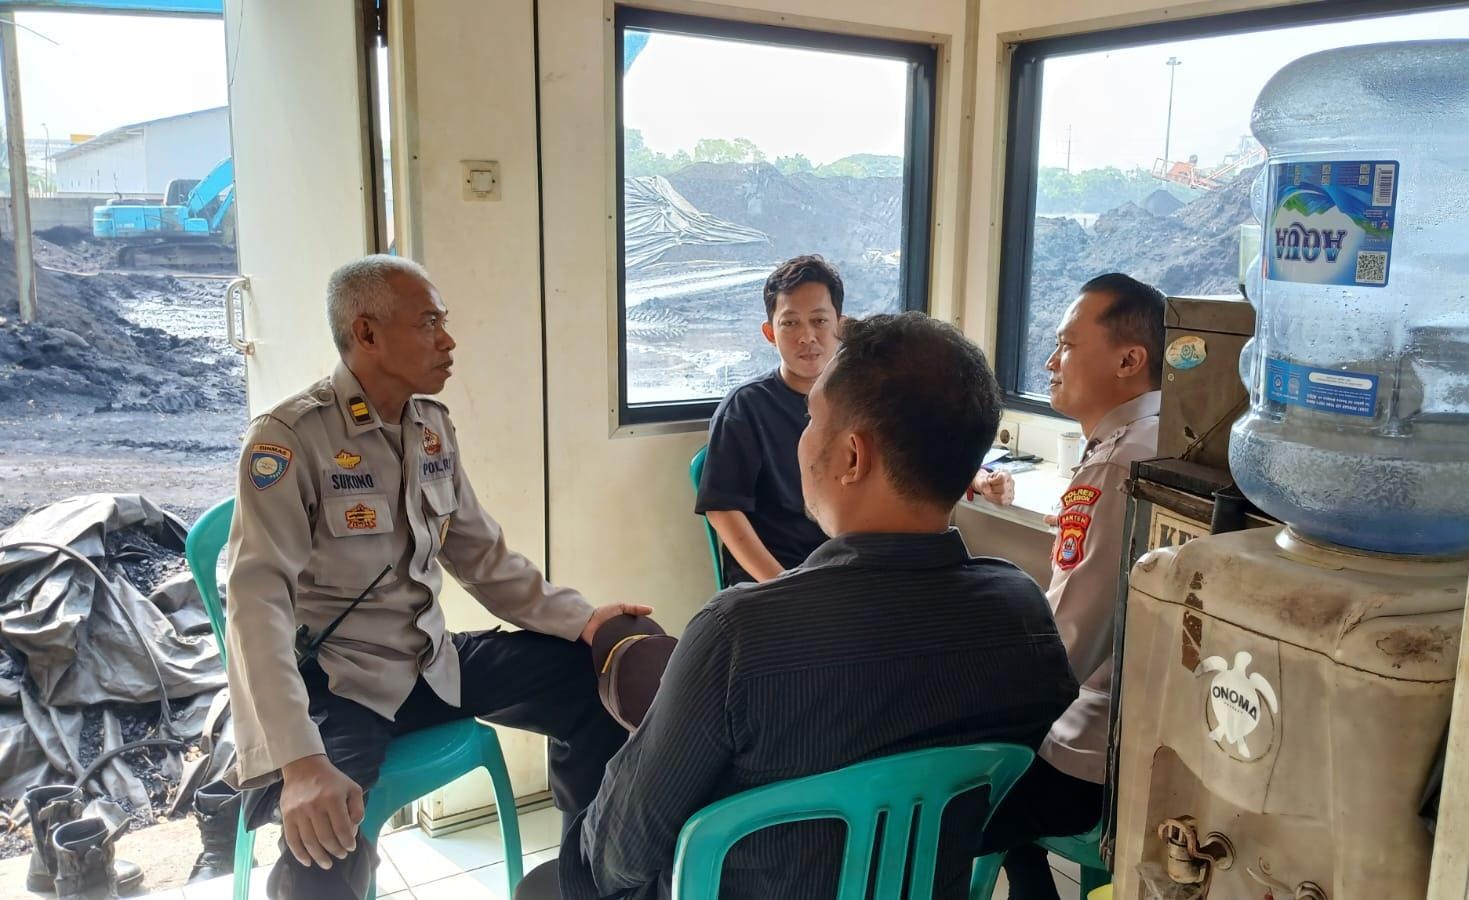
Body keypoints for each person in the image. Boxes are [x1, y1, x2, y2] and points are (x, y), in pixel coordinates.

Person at [532, 312, 1079, 899]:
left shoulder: (738, 634)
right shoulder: (1023, 614)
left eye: (812, 419)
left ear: (852, 457)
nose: (802, 438)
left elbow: (615, 857)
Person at [225, 255, 644, 899]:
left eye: (443, 322)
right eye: (428, 323)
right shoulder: (290, 438)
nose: (447, 341)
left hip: (431, 664)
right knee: (323, 843)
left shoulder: (430, 426)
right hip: (340, 682)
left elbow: (482, 558)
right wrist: (301, 761)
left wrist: (583, 621)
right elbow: (256, 608)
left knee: (594, 681)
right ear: (366, 333)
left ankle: (583, 875)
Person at [973, 273, 1165, 899]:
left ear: (1129, 360)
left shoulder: (1116, 463)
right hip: (1142, 732)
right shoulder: (1157, 437)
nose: (1051, 363)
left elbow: (1070, 643)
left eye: (1066, 345)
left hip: (1087, 759)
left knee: (946, 790)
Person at [694, 255, 842, 585]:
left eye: (819, 320)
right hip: (772, 580)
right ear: (769, 333)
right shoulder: (745, 407)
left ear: (840, 326)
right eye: (790, 323)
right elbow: (723, 510)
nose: (807, 336)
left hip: (841, 572)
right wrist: (782, 585)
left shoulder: (859, 402)